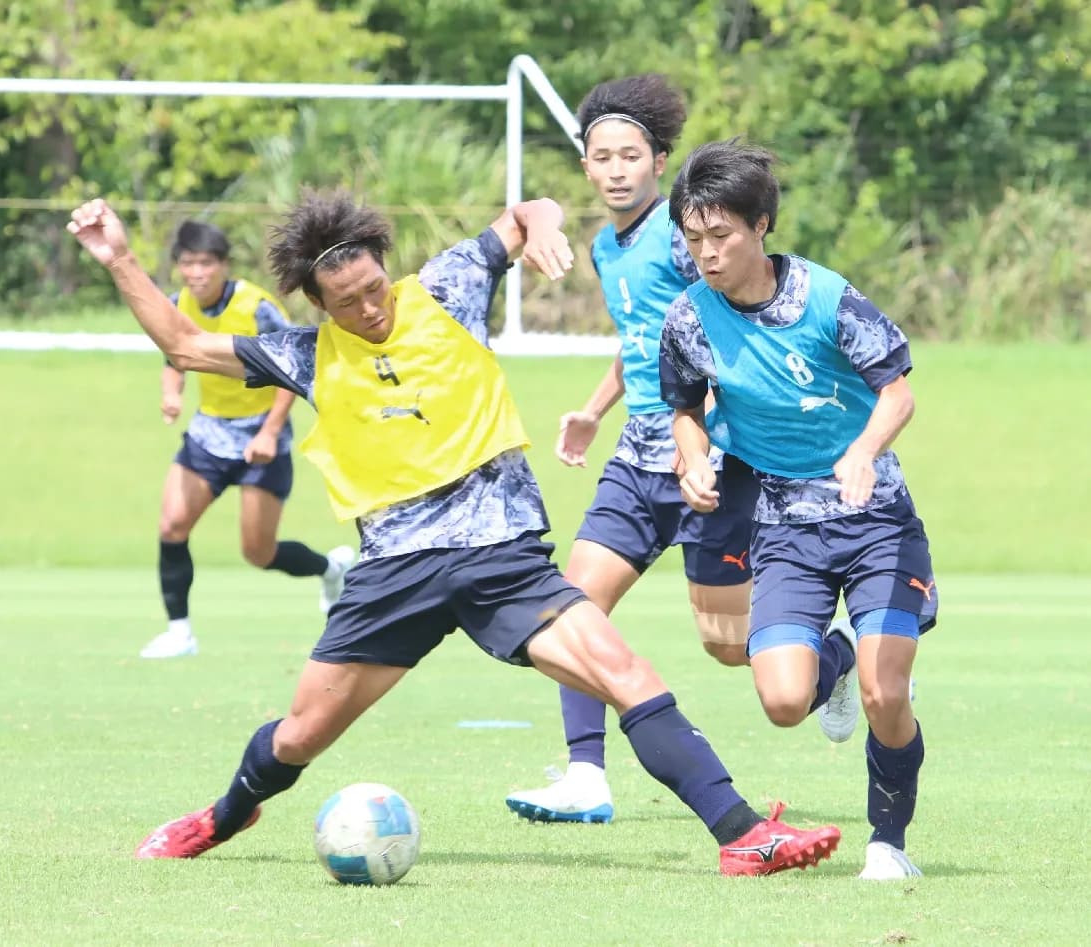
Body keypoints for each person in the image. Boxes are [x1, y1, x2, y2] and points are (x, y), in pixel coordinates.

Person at [67, 191, 840, 877]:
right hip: (394, 573)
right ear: (319, 305)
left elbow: (528, 210)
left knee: (623, 668)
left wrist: (540, 226)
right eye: (347, 304)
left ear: (384, 267)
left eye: (374, 288)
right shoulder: (304, 354)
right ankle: (223, 816)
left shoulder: (446, 285)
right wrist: (122, 257)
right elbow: (180, 343)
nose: (370, 309)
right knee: (300, 735)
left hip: (502, 555)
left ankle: (741, 835)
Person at [659, 140, 937, 880]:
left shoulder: (824, 297)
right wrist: (690, 458)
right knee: (784, 700)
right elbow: (683, 407)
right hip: (783, 527)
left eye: (721, 236)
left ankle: (888, 844)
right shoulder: (687, 318)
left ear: (761, 225)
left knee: (888, 693)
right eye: (693, 240)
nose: (708, 254)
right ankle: (834, 660)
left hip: (875, 518)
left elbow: (898, 390)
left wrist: (864, 450)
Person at [505, 75, 759, 825]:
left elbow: (720, 336)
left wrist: (704, 439)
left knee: (731, 646)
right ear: (585, 166)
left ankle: (835, 662)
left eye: (630, 155)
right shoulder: (603, 248)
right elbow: (642, 342)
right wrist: (591, 409)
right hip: (634, 457)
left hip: (708, 458)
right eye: (602, 156)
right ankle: (587, 774)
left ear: (659, 160)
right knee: (568, 606)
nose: (616, 168)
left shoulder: (684, 239)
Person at [142, 220, 355, 659]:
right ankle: (179, 632)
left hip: (261, 436)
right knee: (172, 525)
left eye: (205, 263)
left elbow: (291, 368)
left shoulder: (256, 305)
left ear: (222, 265)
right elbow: (174, 356)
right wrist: (170, 393)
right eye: (187, 264)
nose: (196, 273)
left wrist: (271, 430)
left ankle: (331, 568)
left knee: (258, 552)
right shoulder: (176, 303)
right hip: (209, 432)